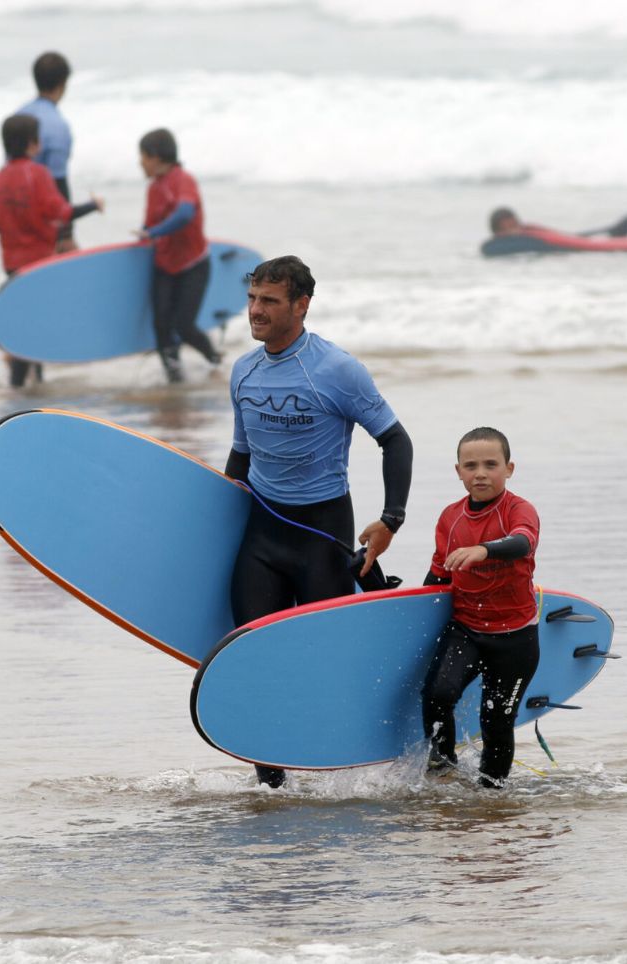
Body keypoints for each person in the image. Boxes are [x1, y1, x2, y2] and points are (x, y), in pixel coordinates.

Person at [224, 255, 414, 788]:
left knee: (323, 669)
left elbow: (395, 440)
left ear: (301, 305)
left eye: (270, 301)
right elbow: (240, 457)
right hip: (262, 534)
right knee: (251, 661)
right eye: (252, 298)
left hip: (322, 536)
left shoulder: (337, 370)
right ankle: (273, 793)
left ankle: (337, 784)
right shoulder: (244, 370)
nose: (256, 311)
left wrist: (390, 519)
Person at [419, 426, 541, 790]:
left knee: (497, 721)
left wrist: (484, 550)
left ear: (509, 468)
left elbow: (522, 543)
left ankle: (492, 797)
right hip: (467, 629)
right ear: (458, 471)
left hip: (516, 638)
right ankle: (443, 770)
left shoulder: (519, 510)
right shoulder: (450, 518)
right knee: (438, 695)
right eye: (471, 465)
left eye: (491, 464)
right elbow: (438, 577)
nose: (481, 473)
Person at [0, 113, 103, 387]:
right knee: (34, 325)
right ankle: (19, 386)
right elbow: (61, 212)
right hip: (38, 264)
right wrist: (93, 205)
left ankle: (30, 383)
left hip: (11, 263)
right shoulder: (38, 174)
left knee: (24, 321)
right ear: (32, 144)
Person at [136, 128, 222, 384]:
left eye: (143, 156)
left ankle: (215, 360)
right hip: (164, 265)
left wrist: (154, 232)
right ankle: (176, 381)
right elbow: (148, 228)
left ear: (156, 157)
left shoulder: (184, 180)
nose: (140, 162)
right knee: (161, 326)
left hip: (193, 264)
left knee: (184, 326)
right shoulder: (153, 189)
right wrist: (146, 235)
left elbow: (184, 214)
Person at [17, 51, 78, 253]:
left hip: (17, 213)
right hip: (45, 223)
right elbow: (58, 184)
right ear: (62, 84)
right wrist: (66, 235)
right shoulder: (58, 126)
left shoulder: (18, 116)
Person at [488, 197, 627, 242]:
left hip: (577, 239)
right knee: (621, 228)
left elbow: (549, 237)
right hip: (574, 239)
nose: (510, 227)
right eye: (504, 225)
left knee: (620, 228)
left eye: (511, 222)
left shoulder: (526, 231)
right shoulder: (513, 238)